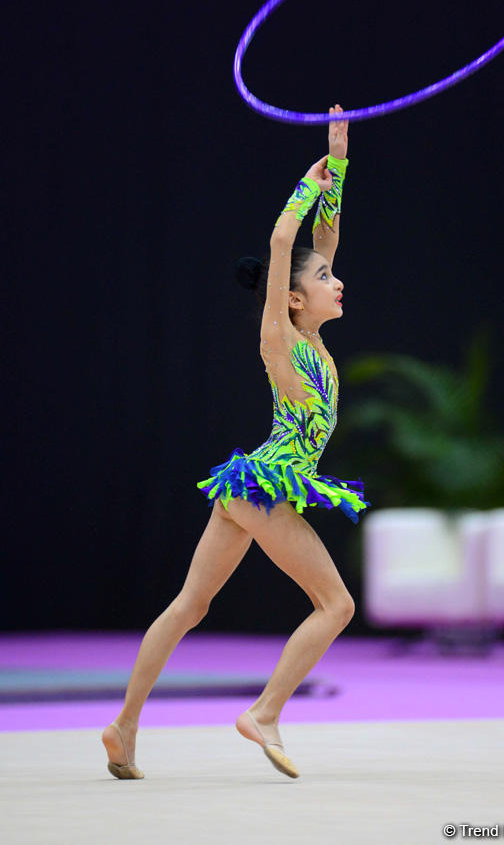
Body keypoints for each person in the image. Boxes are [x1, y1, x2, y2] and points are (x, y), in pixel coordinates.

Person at [101, 105, 370, 781]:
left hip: (246, 486)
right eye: (323, 281)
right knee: (336, 606)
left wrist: (336, 158)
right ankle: (266, 712)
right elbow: (288, 243)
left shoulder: (312, 338)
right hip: (269, 486)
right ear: (294, 301)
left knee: (189, 606)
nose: (336, 282)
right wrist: (303, 188)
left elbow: (322, 238)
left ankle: (123, 727)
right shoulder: (280, 340)